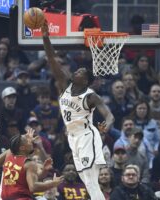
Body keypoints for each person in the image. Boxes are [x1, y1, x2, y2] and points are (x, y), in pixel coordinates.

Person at [41, 21, 114, 200]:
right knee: (85, 178)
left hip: (87, 136)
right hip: (72, 138)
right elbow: (51, 59)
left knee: (89, 179)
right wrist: (45, 35)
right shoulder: (64, 84)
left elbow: (109, 115)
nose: (77, 71)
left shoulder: (90, 96)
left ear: (86, 80)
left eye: (81, 71)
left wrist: (107, 126)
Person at [0, 128, 63, 200]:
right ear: (22, 148)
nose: (31, 142)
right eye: (28, 141)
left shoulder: (8, 156)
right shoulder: (29, 163)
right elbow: (33, 187)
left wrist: (44, 170)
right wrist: (53, 183)